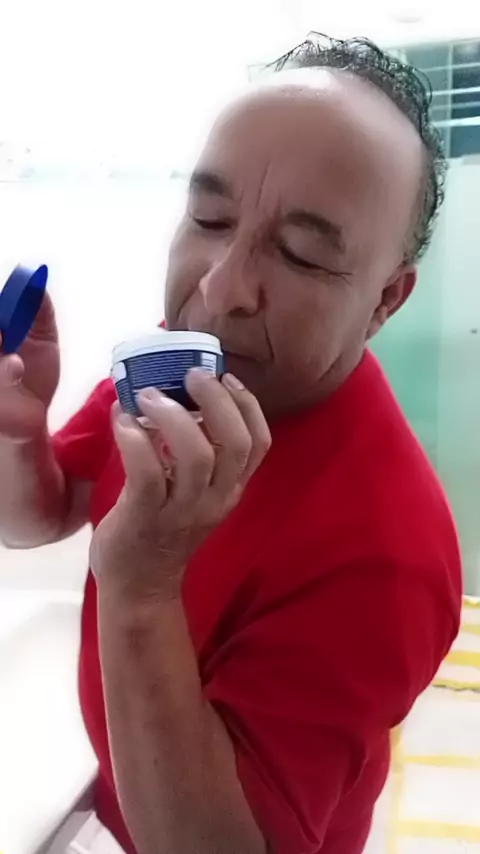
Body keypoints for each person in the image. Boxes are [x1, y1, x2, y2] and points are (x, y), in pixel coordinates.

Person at [0, 34, 462, 854]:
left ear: (385, 302)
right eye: (209, 219)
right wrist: (18, 431)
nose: (219, 290)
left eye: (302, 255)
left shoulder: (388, 554)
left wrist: (142, 591)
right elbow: (39, 516)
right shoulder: (187, 367)